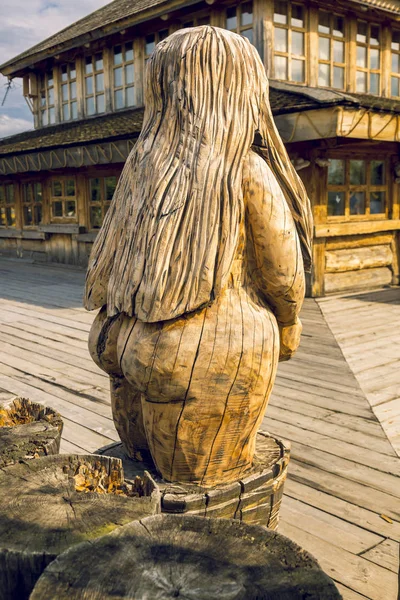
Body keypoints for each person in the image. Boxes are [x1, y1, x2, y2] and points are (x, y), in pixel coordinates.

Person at [84, 26, 312, 486]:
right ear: (244, 89)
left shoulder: (142, 164)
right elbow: (283, 272)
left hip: (116, 336)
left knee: (140, 468)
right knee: (203, 488)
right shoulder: (244, 168)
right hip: (203, 352)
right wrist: (289, 323)